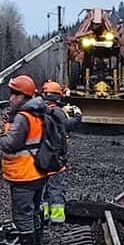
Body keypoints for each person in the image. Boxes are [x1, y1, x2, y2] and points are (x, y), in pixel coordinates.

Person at [0, 75, 48, 245]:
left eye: (15, 94)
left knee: (22, 214)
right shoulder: (39, 113)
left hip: (24, 173)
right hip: (38, 171)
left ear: (24, 96)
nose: (11, 98)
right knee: (34, 210)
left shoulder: (23, 117)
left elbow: (11, 144)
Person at [40, 81, 82, 225]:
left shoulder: (38, 110)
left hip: (41, 158)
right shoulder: (57, 112)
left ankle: (43, 216)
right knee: (56, 188)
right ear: (58, 96)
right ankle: (57, 219)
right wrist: (77, 116)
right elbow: (67, 125)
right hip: (55, 159)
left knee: (42, 189)